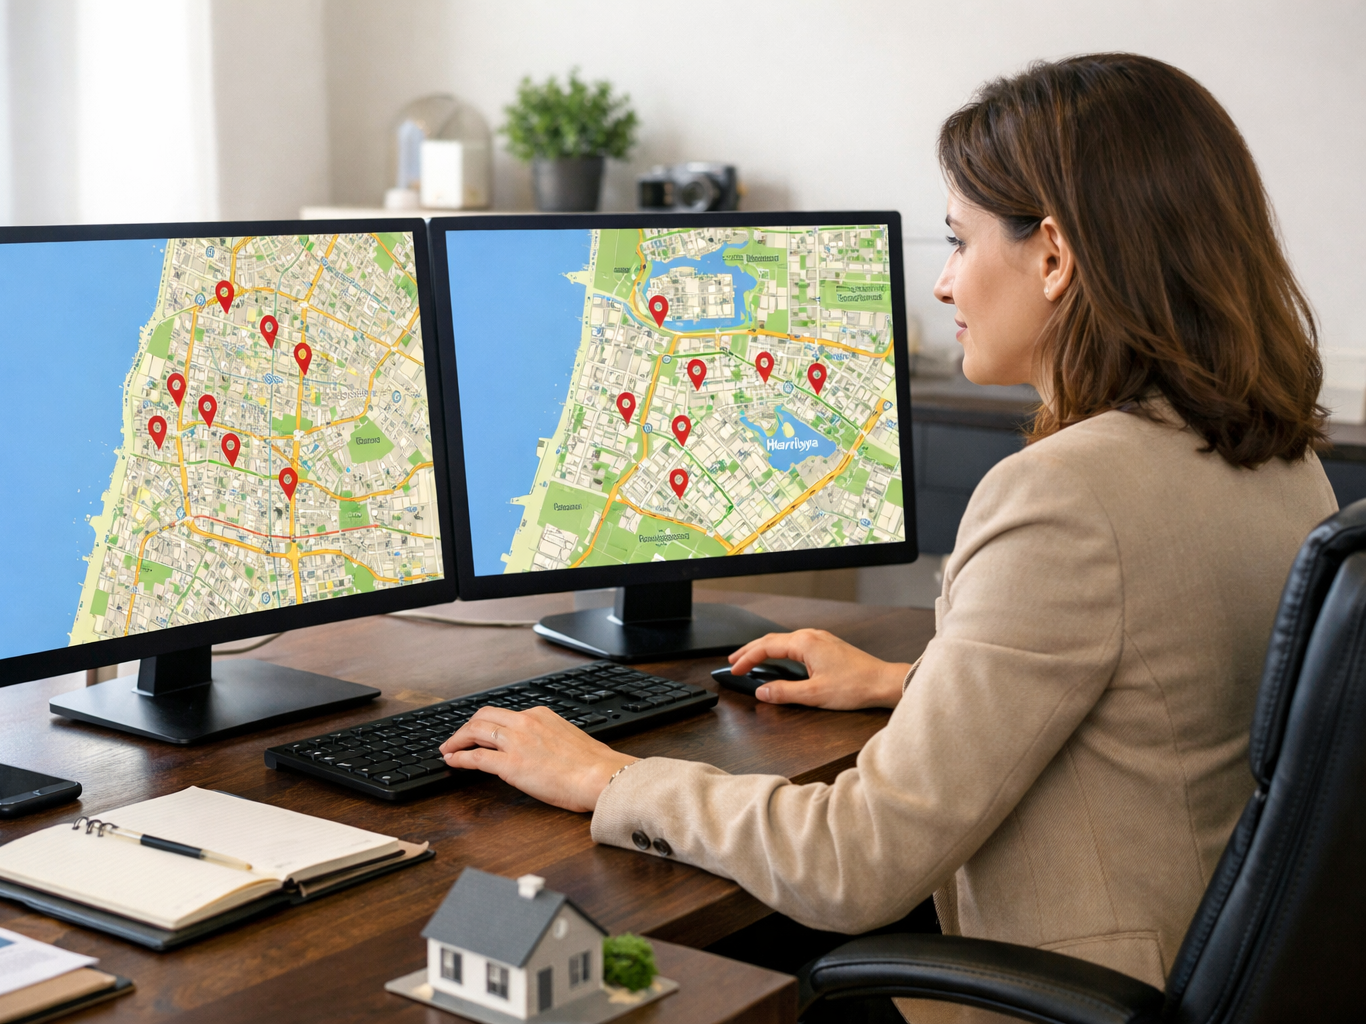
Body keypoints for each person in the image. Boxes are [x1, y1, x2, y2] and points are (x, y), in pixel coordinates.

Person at [439, 53, 1338, 1019]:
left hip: (1075, 995)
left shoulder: (1064, 496)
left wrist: (608, 777)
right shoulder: (1277, 455)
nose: (945, 283)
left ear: (1053, 255)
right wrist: (909, 682)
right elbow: (1165, 695)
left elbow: (855, 863)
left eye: (957, 241)